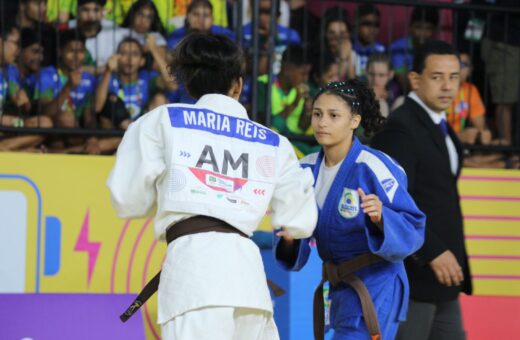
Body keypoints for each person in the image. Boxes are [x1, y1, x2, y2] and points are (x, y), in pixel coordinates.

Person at [107, 32, 318, 340]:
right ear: (239, 85)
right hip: (250, 284)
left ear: (189, 83)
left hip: (193, 277)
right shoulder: (273, 141)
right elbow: (300, 221)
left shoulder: (162, 121)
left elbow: (127, 199)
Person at [275, 79, 426, 340]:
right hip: (339, 286)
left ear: (354, 121)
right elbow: (296, 242)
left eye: (334, 116)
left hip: (378, 285)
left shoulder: (373, 166)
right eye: (317, 114)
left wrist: (382, 218)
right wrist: (290, 239)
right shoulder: (305, 171)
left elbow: (413, 225)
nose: (322, 122)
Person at [371, 40, 473, 340]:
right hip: (414, 273)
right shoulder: (401, 127)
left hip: (443, 275)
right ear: (415, 79)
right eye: (437, 76)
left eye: (454, 77)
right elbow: (393, 201)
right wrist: (431, 252)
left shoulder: (440, 125)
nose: (447, 86)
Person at [389, 7, 439, 93]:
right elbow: (405, 83)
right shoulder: (398, 48)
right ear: (410, 27)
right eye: (418, 27)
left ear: (434, 31)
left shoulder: (437, 49)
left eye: (428, 28)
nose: (422, 33)